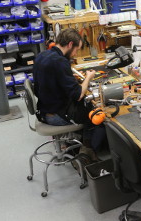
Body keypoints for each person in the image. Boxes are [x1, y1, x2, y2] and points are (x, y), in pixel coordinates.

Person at [33, 28, 104, 160]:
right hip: (56, 115)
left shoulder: (43, 55)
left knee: (86, 108)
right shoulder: (60, 62)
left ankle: (75, 141)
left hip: (44, 110)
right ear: (70, 44)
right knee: (96, 114)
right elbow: (78, 94)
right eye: (77, 50)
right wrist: (88, 77)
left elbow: (49, 81)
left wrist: (69, 77)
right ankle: (87, 152)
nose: (75, 54)